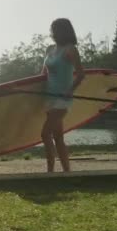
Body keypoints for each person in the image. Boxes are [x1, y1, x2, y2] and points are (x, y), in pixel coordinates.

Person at [41, 18, 85, 172]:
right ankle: (67, 171)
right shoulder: (49, 49)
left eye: (54, 29)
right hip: (49, 98)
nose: (51, 33)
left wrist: (70, 90)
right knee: (58, 137)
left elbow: (80, 75)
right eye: (51, 29)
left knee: (45, 134)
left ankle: (50, 171)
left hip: (62, 99)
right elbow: (43, 74)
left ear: (62, 31)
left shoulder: (70, 49)